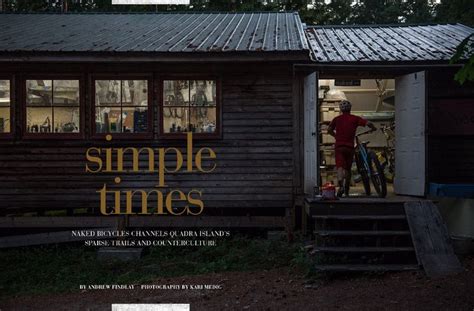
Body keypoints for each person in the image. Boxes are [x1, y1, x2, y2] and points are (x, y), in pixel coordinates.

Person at [327, 100, 376, 197]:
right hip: (350, 147)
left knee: (340, 167)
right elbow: (368, 123)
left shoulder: (337, 119)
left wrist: (336, 136)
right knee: (348, 169)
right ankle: (346, 189)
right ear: (350, 109)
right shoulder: (355, 118)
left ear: (341, 109)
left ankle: (340, 185)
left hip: (339, 146)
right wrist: (373, 128)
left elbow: (329, 130)